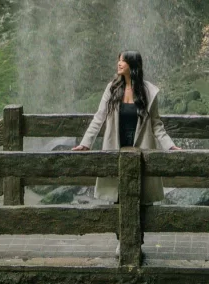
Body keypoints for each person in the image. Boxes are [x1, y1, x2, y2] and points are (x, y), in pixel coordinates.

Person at [72, 51, 180, 202]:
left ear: (134, 65)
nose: (119, 63)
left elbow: (156, 124)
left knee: (141, 197)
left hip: (141, 147)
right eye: (119, 60)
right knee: (118, 196)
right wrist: (85, 143)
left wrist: (170, 146)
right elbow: (99, 117)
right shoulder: (112, 88)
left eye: (123, 61)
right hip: (116, 145)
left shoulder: (149, 92)